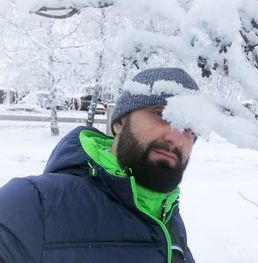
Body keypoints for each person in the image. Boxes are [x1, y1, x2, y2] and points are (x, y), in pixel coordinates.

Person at [0, 67, 199, 263]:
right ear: (120, 122)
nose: (175, 136)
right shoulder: (32, 204)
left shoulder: (169, 221)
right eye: (161, 114)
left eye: (189, 127)